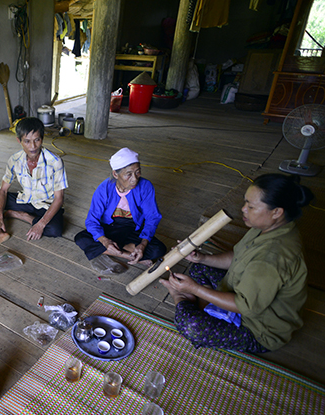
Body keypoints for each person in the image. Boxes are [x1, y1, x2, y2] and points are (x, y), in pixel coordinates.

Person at [160, 173, 313, 353]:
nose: (243, 209)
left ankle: (180, 296)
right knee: (200, 267)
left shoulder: (273, 256)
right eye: (245, 202)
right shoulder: (268, 228)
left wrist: (194, 289)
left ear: (277, 212)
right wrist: (201, 258)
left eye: (251, 206)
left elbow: (244, 306)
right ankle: (198, 300)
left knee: (192, 326)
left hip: (257, 328)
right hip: (238, 288)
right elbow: (237, 256)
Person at [75, 147, 166, 273]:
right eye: (128, 174)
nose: (134, 179)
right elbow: (92, 220)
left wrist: (142, 245)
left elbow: (152, 217)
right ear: (115, 174)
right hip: (110, 226)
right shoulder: (104, 189)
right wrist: (105, 241)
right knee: (81, 238)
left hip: (133, 228)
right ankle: (130, 256)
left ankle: (117, 251)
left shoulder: (145, 186)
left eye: (138, 172)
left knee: (158, 249)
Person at [0, 117, 68, 248]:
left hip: (45, 206)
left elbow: (59, 198)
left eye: (37, 140)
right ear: (19, 141)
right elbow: (3, 190)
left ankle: (20, 215)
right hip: (25, 200)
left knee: (55, 229)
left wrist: (40, 224)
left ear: (42, 139)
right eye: (27, 141)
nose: (32, 146)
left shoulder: (54, 162)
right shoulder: (15, 160)